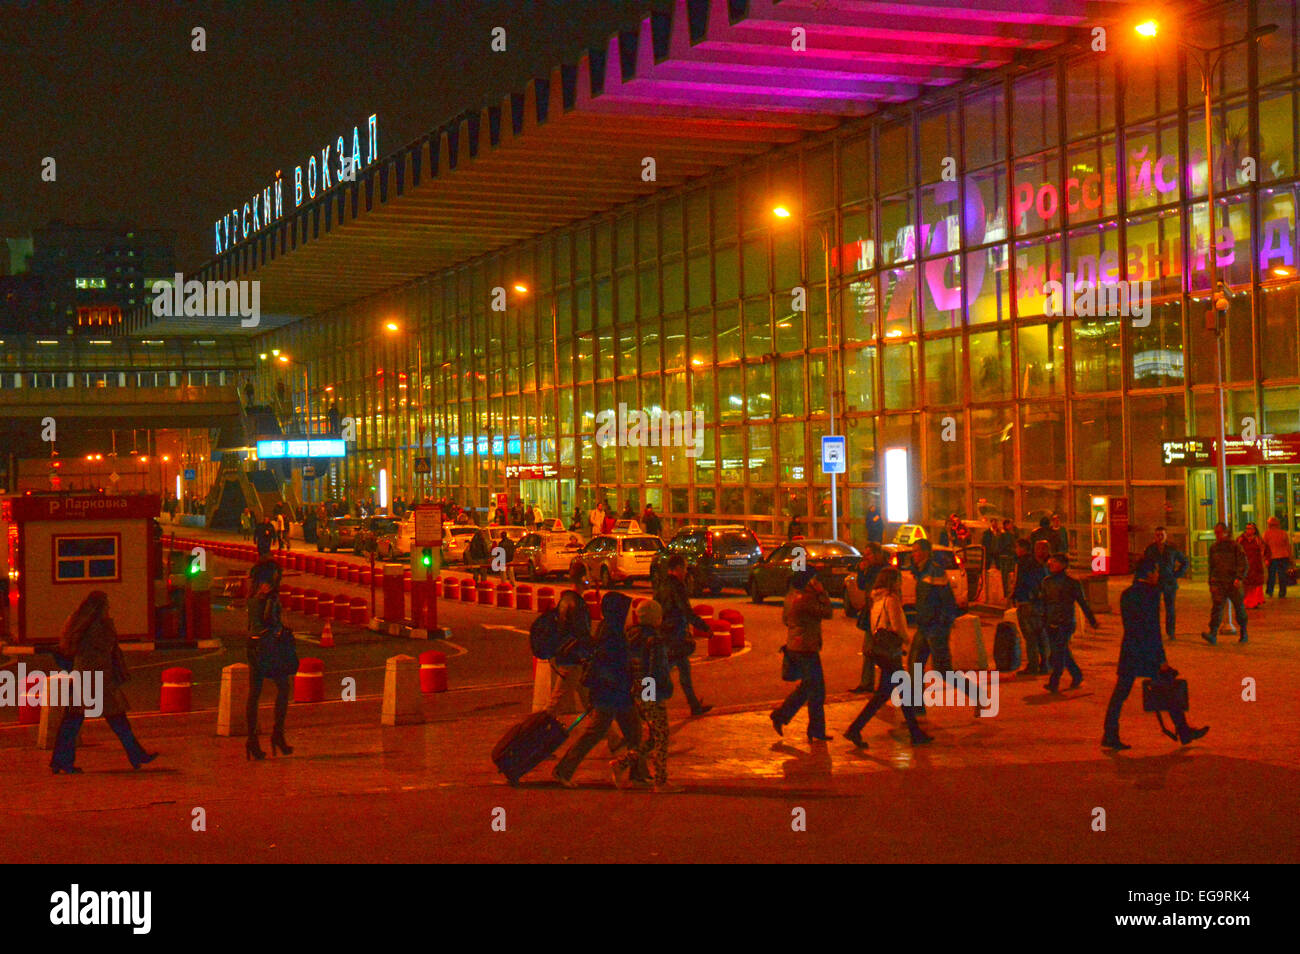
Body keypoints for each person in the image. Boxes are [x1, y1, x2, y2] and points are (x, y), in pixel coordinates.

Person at [1102, 559, 1210, 750]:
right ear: (1150, 574)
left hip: (1130, 649)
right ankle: (1184, 731)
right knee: (1168, 688)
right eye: (1156, 572)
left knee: (1120, 694)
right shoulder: (1151, 594)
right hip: (1148, 651)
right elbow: (1153, 628)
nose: (1158, 575)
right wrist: (1161, 659)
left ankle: (1110, 733)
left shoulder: (1126, 594)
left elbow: (1131, 625)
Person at [50, 592, 159, 774]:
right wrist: (109, 624)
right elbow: (106, 647)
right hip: (96, 683)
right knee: (117, 721)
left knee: (73, 723)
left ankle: (60, 762)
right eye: (106, 605)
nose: (109, 609)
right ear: (98, 608)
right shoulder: (96, 628)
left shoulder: (81, 625)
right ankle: (136, 755)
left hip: (86, 681)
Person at [554, 592, 642, 788]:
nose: (629, 614)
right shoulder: (612, 632)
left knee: (634, 732)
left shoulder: (611, 629)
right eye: (626, 610)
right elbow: (612, 664)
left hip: (618, 692)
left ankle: (639, 775)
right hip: (610, 694)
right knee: (594, 733)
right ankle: (563, 770)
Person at [844, 567, 931, 748]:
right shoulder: (891, 600)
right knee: (897, 691)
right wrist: (906, 640)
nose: (900, 583)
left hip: (881, 650)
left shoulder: (876, 599)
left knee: (886, 693)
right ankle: (914, 734)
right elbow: (897, 625)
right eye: (898, 579)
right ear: (892, 581)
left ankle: (856, 729)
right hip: (890, 652)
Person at [614, 599, 681, 793]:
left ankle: (622, 763)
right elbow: (656, 669)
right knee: (662, 736)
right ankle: (660, 781)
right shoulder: (655, 640)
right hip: (650, 690)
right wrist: (656, 694)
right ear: (655, 618)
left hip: (637, 689)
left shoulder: (632, 636)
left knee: (654, 736)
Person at [909, 539, 979, 708]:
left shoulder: (935, 572)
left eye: (916, 551)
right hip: (924, 627)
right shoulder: (922, 571)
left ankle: (977, 694)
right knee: (914, 667)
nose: (913, 554)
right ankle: (917, 708)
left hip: (935, 629)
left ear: (925, 552)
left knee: (943, 671)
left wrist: (942, 626)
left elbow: (947, 603)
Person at [771, 570, 833, 741]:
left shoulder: (791, 597)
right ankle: (811, 728)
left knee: (809, 688)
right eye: (814, 579)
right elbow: (828, 612)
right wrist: (821, 593)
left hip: (795, 646)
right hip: (806, 648)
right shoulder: (805, 599)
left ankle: (784, 716)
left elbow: (786, 620)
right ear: (809, 582)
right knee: (817, 691)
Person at [246, 552, 292, 760]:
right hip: (268, 646)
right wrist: (280, 628)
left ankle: (252, 740)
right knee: (283, 688)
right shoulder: (268, 594)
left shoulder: (253, 593)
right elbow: (269, 619)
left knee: (254, 693)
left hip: (252, 644)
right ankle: (277, 734)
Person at [653, 554, 712, 716]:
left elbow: (656, 607)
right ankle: (651, 704)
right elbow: (686, 611)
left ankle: (694, 706)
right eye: (685, 568)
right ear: (678, 568)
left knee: (684, 669)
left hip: (665, 633)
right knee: (663, 670)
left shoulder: (661, 584)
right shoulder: (677, 586)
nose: (686, 572)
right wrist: (704, 627)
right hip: (675, 635)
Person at [1035, 552, 1099, 692]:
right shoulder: (1046, 582)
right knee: (1062, 652)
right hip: (1050, 622)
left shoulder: (1072, 583)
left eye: (1056, 561)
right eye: (1051, 561)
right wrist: (1042, 620)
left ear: (1064, 565)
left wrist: (1092, 620)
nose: (1051, 563)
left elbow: (1082, 602)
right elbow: (1043, 603)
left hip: (1066, 623)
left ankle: (1054, 681)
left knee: (1058, 653)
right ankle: (1077, 675)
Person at [544, 590, 594, 716]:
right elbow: (583, 633)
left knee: (591, 702)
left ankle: (610, 735)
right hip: (574, 659)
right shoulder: (577, 603)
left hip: (570, 657)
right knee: (556, 703)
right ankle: (534, 731)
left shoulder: (565, 600)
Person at [1202, 522, 1248, 645]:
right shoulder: (1214, 548)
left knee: (1239, 608)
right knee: (1217, 608)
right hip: (1219, 582)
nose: (1217, 535)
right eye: (1216, 533)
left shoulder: (1235, 546)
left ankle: (1243, 631)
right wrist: (1211, 582)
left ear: (1226, 532)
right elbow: (1211, 566)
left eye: (1219, 532)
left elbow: (1242, 563)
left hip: (1233, 582)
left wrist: (1239, 578)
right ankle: (1213, 633)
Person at [1140, 527, 1189, 640]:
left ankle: (1170, 632)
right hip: (1155, 582)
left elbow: (1185, 561)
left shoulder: (1172, 548)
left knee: (1170, 608)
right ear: (1155, 536)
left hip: (1169, 582)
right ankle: (1153, 632)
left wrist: (1176, 574)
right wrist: (1148, 576)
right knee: (1153, 608)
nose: (1160, 537)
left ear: (1166, 536)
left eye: (1162, 535)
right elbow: (1144, 564)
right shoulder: (1150, 549)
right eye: (1158, 535)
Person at [849, 544, 885, 693]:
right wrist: (862, 571)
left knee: (880, 652)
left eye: (868, 554)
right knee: (868, 650)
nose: (866, 558)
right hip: (871, 612)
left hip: (880, 614)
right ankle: (867, 683)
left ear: (877, 555)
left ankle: (885, 684)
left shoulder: (883, 570)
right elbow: (862, 585)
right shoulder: (870, 569)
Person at [1009, 538, 1049, 675]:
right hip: (1038, 604)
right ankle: (1045, 664)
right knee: (1040, 634)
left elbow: (1021, 582)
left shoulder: (1023, 563)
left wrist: (1014, 596)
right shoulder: (1039, 563)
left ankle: (1033, 665)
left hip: (1026, 602)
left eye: (1017, 547)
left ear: (1023, 548)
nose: (1016, 550)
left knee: (1030, 636)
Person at [1263, 515, 1293, 599]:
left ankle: (1270, 591)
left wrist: (1264, 558)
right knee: (1282, 575)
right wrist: (1290, 557)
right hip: (1283, 556)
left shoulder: (1267, 533)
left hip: (1272, 557)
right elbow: (1287, 546)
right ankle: (1282, 592)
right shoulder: (1283, 533)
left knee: (1271, 575)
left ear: (1269, 524)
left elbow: (1264, 547)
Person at [1238, 523, 1266, 610]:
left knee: (1255, 585)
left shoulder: (1258, 540)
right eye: (1247, 528)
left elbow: (1264, 550)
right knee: (1246, 585)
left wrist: (1265, 559)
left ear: (1254, 530)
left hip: (1255, 565)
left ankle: (1254, 602)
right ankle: (1247, 602)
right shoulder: (1241, 539)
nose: (1248, 530)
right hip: (1245, 565)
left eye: (1250, 528)